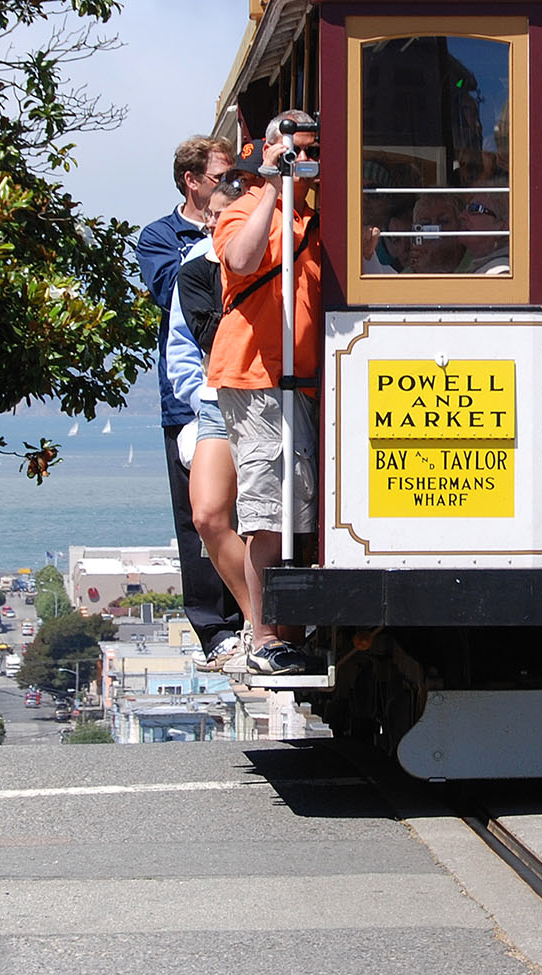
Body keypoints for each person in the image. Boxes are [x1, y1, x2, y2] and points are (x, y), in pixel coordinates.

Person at [207, 113, 323, 676]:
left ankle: (289, 629)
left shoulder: (319, 216)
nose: (303, 160)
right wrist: (274, 190)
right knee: (266, 510)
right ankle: (261, 635)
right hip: (255, 377)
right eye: (294, 151)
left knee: (298, 506)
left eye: (310, 152)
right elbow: (242, 259)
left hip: (303, 379)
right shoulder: (241, 209)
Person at [137, 136, 240, 667]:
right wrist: (213, 239)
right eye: (223, 176)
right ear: (193, 181)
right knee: (197, 518)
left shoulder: (238, 221)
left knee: (245, 510)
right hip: (189, 398)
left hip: (243, 383)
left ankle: (251, 617)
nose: (233, 185)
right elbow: (168, 288)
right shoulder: (160, 237)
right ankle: (214, 627)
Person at [166, 180, 251, 669]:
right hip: (218, 401)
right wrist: (202, 398)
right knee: (209, 518)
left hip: (273, 399)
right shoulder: (196, 270)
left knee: (265, 523)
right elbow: (190, 343)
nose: (217, 224)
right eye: (213, 216)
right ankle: (256, 620)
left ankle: (266, 630)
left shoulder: (273, 251)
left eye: (228, 215)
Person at [456, 194, 510, 274]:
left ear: (502, 227)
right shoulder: (474, 263)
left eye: (474, 208)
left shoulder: (499, 271)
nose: (461, 216)